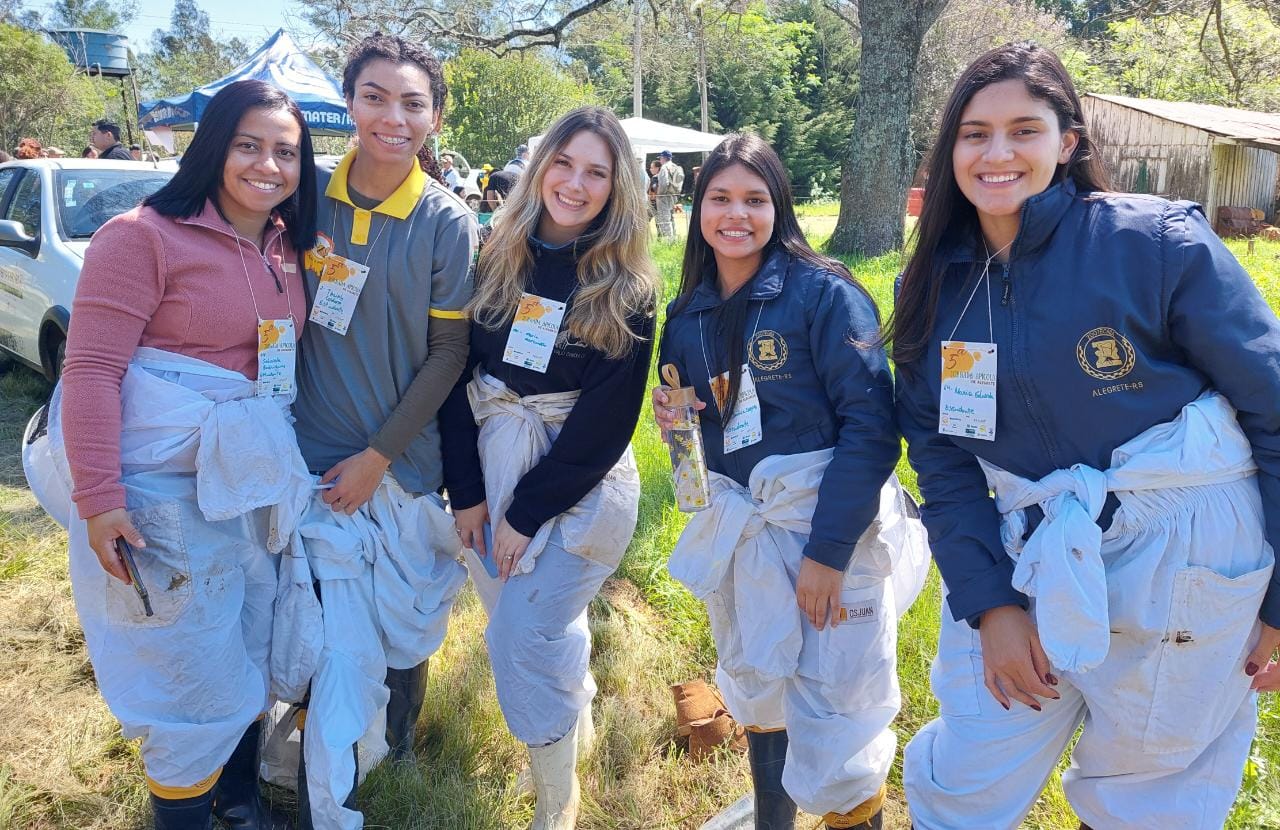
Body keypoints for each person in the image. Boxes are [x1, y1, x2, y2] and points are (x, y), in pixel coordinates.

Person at [894, 42, 1280, 830]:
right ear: (949, 151)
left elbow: (1274, 412)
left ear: (1067, 142)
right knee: (965, 774)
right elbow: (942, 460)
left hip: (1183, 549)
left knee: (1153, 792)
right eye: (974, 134)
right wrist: (991, 605)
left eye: (1023, 131)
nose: (997, 154)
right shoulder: (932, 284)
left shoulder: (1154, 244)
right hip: (1026, 543)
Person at [29, 79, 316, 830]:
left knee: (248, 649)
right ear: (212, 146)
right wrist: (100, 500)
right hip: (161, 494)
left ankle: (240, 807)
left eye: (286, 151)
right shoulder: (141, 237)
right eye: (248, 145)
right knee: (187, 680)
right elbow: (92, 371)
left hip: (246, 487)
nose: (268, 165)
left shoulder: (287, 245)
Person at [652, 133, 929, 830]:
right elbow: (695, 445)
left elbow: (871, 428)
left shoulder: (823, 294)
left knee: (840, 718)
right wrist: (678, 434)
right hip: (745, 537)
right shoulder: (686, 318)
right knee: (756, 685)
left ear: (780, 206)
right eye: (721, 198)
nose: (736, 215)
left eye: (755, 199)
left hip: (830, 535)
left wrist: (827, 555)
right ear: (696, 208)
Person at [439, 105, 659, 830]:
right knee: (530, 620)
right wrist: (469, 496)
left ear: (617, 187)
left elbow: (605, 426)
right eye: (563, 163)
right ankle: (573, 718)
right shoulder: (494, 257)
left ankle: (556, 798)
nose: (575, 183)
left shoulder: (627, 289)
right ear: (540, 169)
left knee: (519, 636)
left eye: (597, 171)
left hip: (578, 485)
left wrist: (525, 514)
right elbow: (457, 379)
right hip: (492, 467)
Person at [290, 33, 476, 829]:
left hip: (403, 465)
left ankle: (394, 749)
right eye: (375, 97)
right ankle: (316, 741)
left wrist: (377, 457)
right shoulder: (305, 197)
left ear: (435, 118)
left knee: (403, 617)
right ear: (349, 103)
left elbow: (448, 354)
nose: (392, 117)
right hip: (308, 454)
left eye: (412, 103)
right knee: (319, 616)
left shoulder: (446, 221)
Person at [655, 149, 683, 239]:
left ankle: (668, 240)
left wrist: (659, 195)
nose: (660, 160)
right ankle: (673, 238)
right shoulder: (675, 167)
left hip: (664, 196)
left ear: (663, 158)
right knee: (671, 218)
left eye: (660, 158)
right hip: (674, 195)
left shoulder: (664, 167)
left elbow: (664, 183)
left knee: (665, 219)